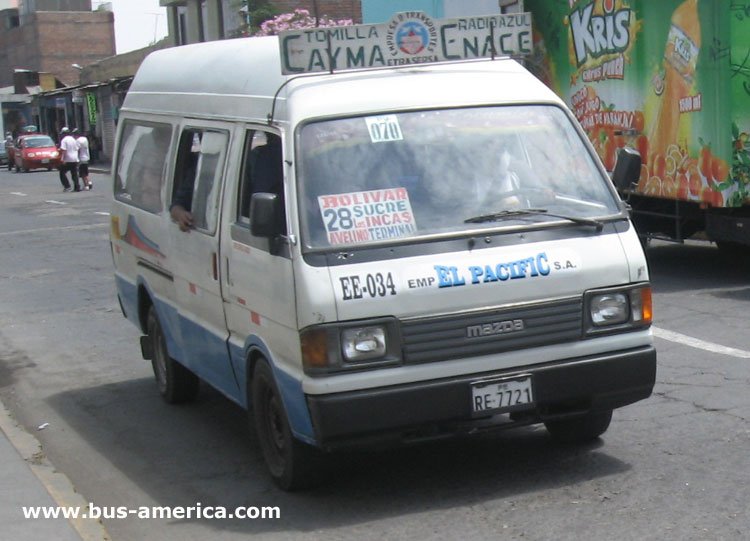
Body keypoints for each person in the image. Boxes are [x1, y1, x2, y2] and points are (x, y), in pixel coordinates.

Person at [58, 127, 80, 192]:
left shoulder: (64, 140)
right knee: (74, 174)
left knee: (62, 172)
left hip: (68, 159)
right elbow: (77, 149)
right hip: (74, 159)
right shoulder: (73, 139)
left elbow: (64, 150)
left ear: (64, 134)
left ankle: (67, 186)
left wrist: (63, 159)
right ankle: (77, 187)